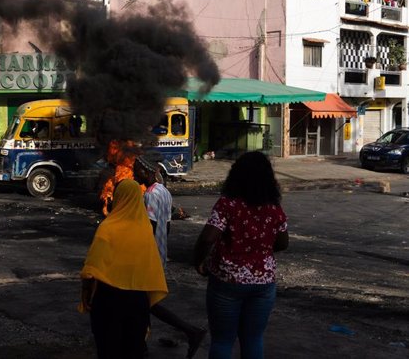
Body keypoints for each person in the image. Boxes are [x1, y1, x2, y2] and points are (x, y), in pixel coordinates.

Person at [193, 151, 289, 359]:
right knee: (253, 339)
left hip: (228, 280)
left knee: (222, 340)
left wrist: (198, 260)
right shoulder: (274, 208)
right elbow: (283, 243)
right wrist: (259, 247)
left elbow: (208, 238)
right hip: (264, 281)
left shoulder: (228, 204)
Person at [79, 179, 168, 359]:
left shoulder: (108, 227)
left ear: (119, 198)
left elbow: (93, 266)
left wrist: (86, 291)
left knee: (108, 349)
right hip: (137, 301)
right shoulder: (145, 230)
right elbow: (150, 268)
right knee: (133, 349)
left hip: (107, 299)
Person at [134, 156, 206, 359]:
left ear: (147, 172)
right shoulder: (164, 191)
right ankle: (142, 344)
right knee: (144, 301)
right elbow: (167, 225)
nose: (134, 173)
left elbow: (152, 225)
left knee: (145, 302)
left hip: (149, 255)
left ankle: (190, 331)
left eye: (137, 170)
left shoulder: (149, 195)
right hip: (161, 251)